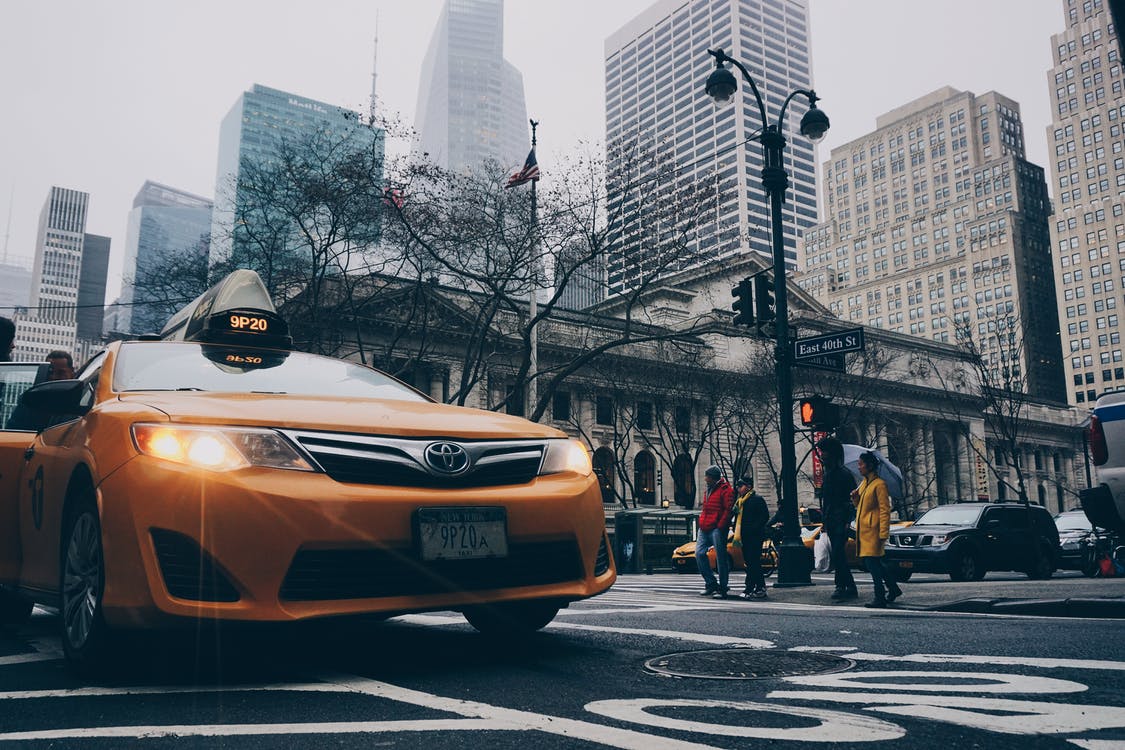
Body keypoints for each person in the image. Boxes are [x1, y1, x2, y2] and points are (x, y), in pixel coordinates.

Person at [851, 450, 903, 608]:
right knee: (875, 563)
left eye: (861, 464)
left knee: (872, 564)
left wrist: (883, 533)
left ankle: (880, 595)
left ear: (869, 465)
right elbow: (861, 508)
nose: (859, 467)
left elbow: (884, 510)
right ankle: (893, 589)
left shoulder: (879, 484)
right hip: (865, 531)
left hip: (873, 531)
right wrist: (855, 498)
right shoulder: (865, 484)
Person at [817, 436, 858, 601]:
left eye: (824, 452)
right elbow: (827, 501)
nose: (821, 455)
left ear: (831, 454)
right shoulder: (828, 475)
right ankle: (848, 586)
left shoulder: (843, 474)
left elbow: (851, 501)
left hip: (841, 520)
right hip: (832, 520)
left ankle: (842, 586)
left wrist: (848, 520)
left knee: (838, 554)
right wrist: (824, 521)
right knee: (837, 555)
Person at [695, 465, 735, 599]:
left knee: (721, 558)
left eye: (707, 476)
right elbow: (705, 509)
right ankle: (711, 583)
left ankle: (722, 587)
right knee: (699, 553)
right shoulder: (708, 490)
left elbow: (728, 510)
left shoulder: (726, 490)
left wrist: (720, 526)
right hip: (705, 526)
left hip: (717, 528)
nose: (705, 479)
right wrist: (702, 521)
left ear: (712, 478)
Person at [731, 476, 769, 600]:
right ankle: (760, 587)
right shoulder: (740, 501)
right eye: (737, 486)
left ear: (748, 487)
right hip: (744, 536)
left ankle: (750, 588)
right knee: (752, 562)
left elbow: (764, 516)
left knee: (752, 561)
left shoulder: (756, 500)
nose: (738, 489)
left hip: (754, 536)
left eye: (740, 486)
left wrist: (754, 528)